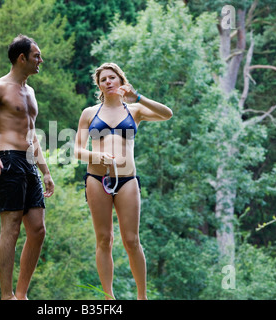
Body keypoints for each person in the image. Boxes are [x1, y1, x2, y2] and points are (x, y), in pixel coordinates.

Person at [74, 63, 172, 300]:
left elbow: (167, 114)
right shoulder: (90, 113)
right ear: (99, 85)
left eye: (112, 78)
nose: (108, 82)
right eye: (103, 79)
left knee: (131, 240)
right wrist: (97, 156)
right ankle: (109, 297)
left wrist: (137, 96)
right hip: (97, 179)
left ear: (121, 81)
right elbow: (76, 151)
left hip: (127, 179)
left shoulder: (135, 110)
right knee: (104, 239)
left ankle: (142, 296)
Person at [0, 34, 55, 300]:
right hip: (7, 159)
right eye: (36, 56)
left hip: (29, 162)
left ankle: (21, 294)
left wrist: (46, 171)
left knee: (38, 230)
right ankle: (6, 296)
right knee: (12, 226)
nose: (40, 60)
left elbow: (32, 135)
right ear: (22, 58)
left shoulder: (30, 91)